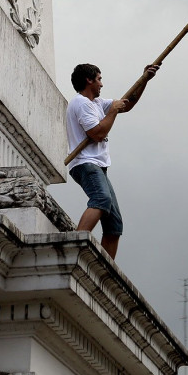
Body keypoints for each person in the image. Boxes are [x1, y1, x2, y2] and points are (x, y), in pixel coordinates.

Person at [66, 63, 158, 258]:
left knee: (114, 225)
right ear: (89, 80)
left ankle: (106, 270)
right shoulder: (80, 103)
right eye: (99, 79)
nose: (101, 84)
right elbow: (97, 133)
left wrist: (144, 81)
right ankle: (73, 245)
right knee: (101, 199)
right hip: (85, 163)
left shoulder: (98, 104)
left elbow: (128, 104)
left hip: (99, 166)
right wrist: (113, 111)